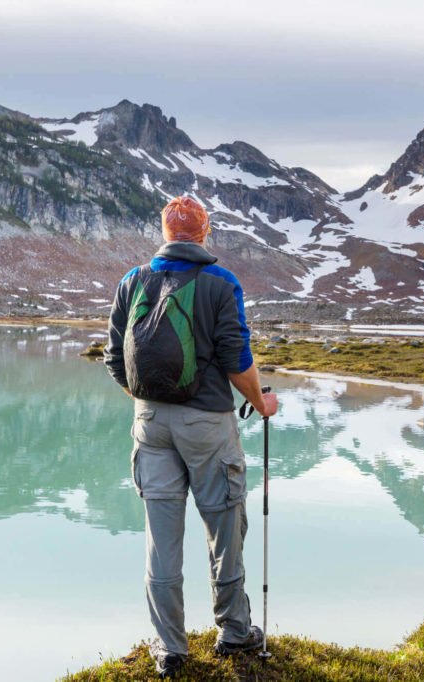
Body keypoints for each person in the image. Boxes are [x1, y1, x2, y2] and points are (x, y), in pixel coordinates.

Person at [106, 195, 279, 679]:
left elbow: (114, 358)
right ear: (205, 233)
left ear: (164, 232)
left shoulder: (131, 281)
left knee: (161, 540)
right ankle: (235, 632)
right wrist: (262, 403)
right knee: (225, 526)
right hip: (207, 424)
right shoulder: (221, 283)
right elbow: (235, 359)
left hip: (149, 424)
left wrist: (147, 401)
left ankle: (171, 649)